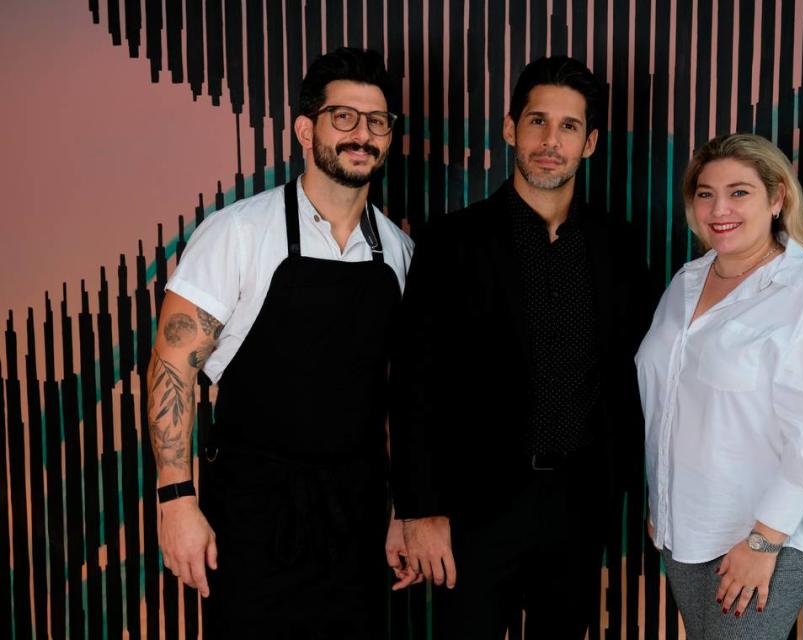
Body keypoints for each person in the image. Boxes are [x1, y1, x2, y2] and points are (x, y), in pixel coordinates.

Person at [147, 47, 415, 637]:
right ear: (305, 128)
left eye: (377, 122)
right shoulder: (238, 234)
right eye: (344, 117)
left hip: (359, 515)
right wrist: (176, 501)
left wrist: (402, 511)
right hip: (254, 514)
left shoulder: (397, 252)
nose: (362, 135)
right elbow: (173, 365)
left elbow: (395, 396)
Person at [388, 56, 654, 639]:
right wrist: (419, 510)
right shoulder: (450, 242)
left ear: (589, 143)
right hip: (474, 507)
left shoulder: (620, 247)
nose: (550, 141)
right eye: (537, 122)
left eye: (568, 127)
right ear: (510, 129)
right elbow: (414, 383)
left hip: (580, 503)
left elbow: (634, 380)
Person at [635, 133, 803, 639]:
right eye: (705, 193)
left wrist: (763, 542)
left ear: (778, 197)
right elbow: (667, 403)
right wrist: (663, 506)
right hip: (685, 531)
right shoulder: (686, 283)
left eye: (739, 192)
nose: (719, 208)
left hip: (764, 539)